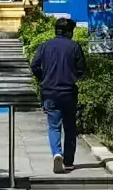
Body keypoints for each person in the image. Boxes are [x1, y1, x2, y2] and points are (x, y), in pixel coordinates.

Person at [30, 16, 87, 174]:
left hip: (49, 92)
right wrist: (74, 76)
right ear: (68, 32)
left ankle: (56, 153)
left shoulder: (44, 46)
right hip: (68, 92)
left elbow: (34, 65)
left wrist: (42, 77)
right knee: (69, 127)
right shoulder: (74, 46)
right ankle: (68, 162)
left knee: (54, 126)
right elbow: (82, 69)